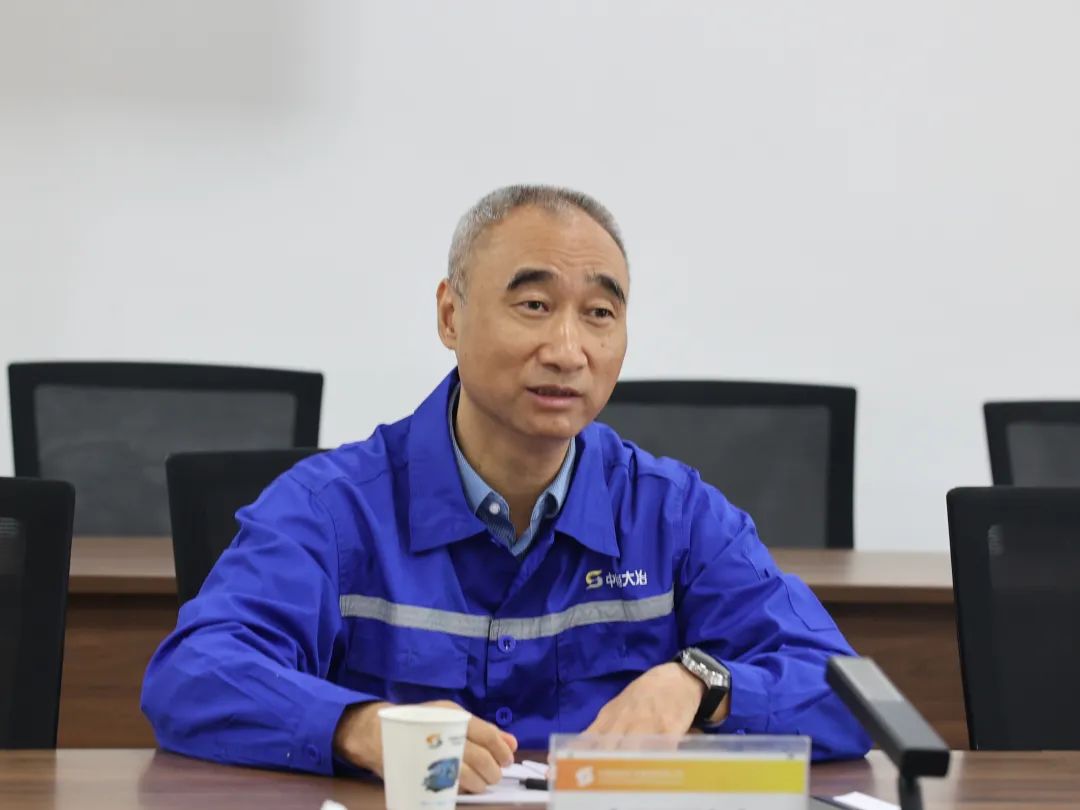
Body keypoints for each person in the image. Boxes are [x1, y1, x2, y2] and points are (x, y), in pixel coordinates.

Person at [142, 185, 870, 792]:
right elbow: (194, 675)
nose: (567, 350)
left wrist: (701, 684)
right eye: (533, 306)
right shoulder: (331, 510)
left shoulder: (673, 514)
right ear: (450, 315)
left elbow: (852, 694)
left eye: (599, 314)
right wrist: (357, 726)